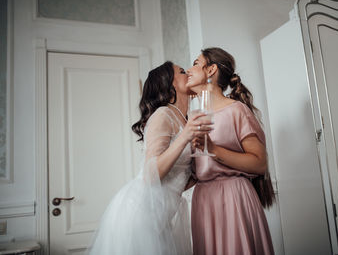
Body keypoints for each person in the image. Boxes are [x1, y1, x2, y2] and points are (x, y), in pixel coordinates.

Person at [87, 61, 211, 255]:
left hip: (163, 216)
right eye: (181, 72)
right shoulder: (163, 114)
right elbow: (150, 175)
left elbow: (177, 179)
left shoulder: (185, 119)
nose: (187, 72)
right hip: (140, 214)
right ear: (169, 84)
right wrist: (185, 136)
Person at [187, 47, 275, 255]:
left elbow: (260, 163)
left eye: (196, 63)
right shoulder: (192, 118)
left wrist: (214, 149)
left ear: (211, 70)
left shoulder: (237, 110)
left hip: (234, 199)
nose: (189, 70)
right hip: (203, 203)